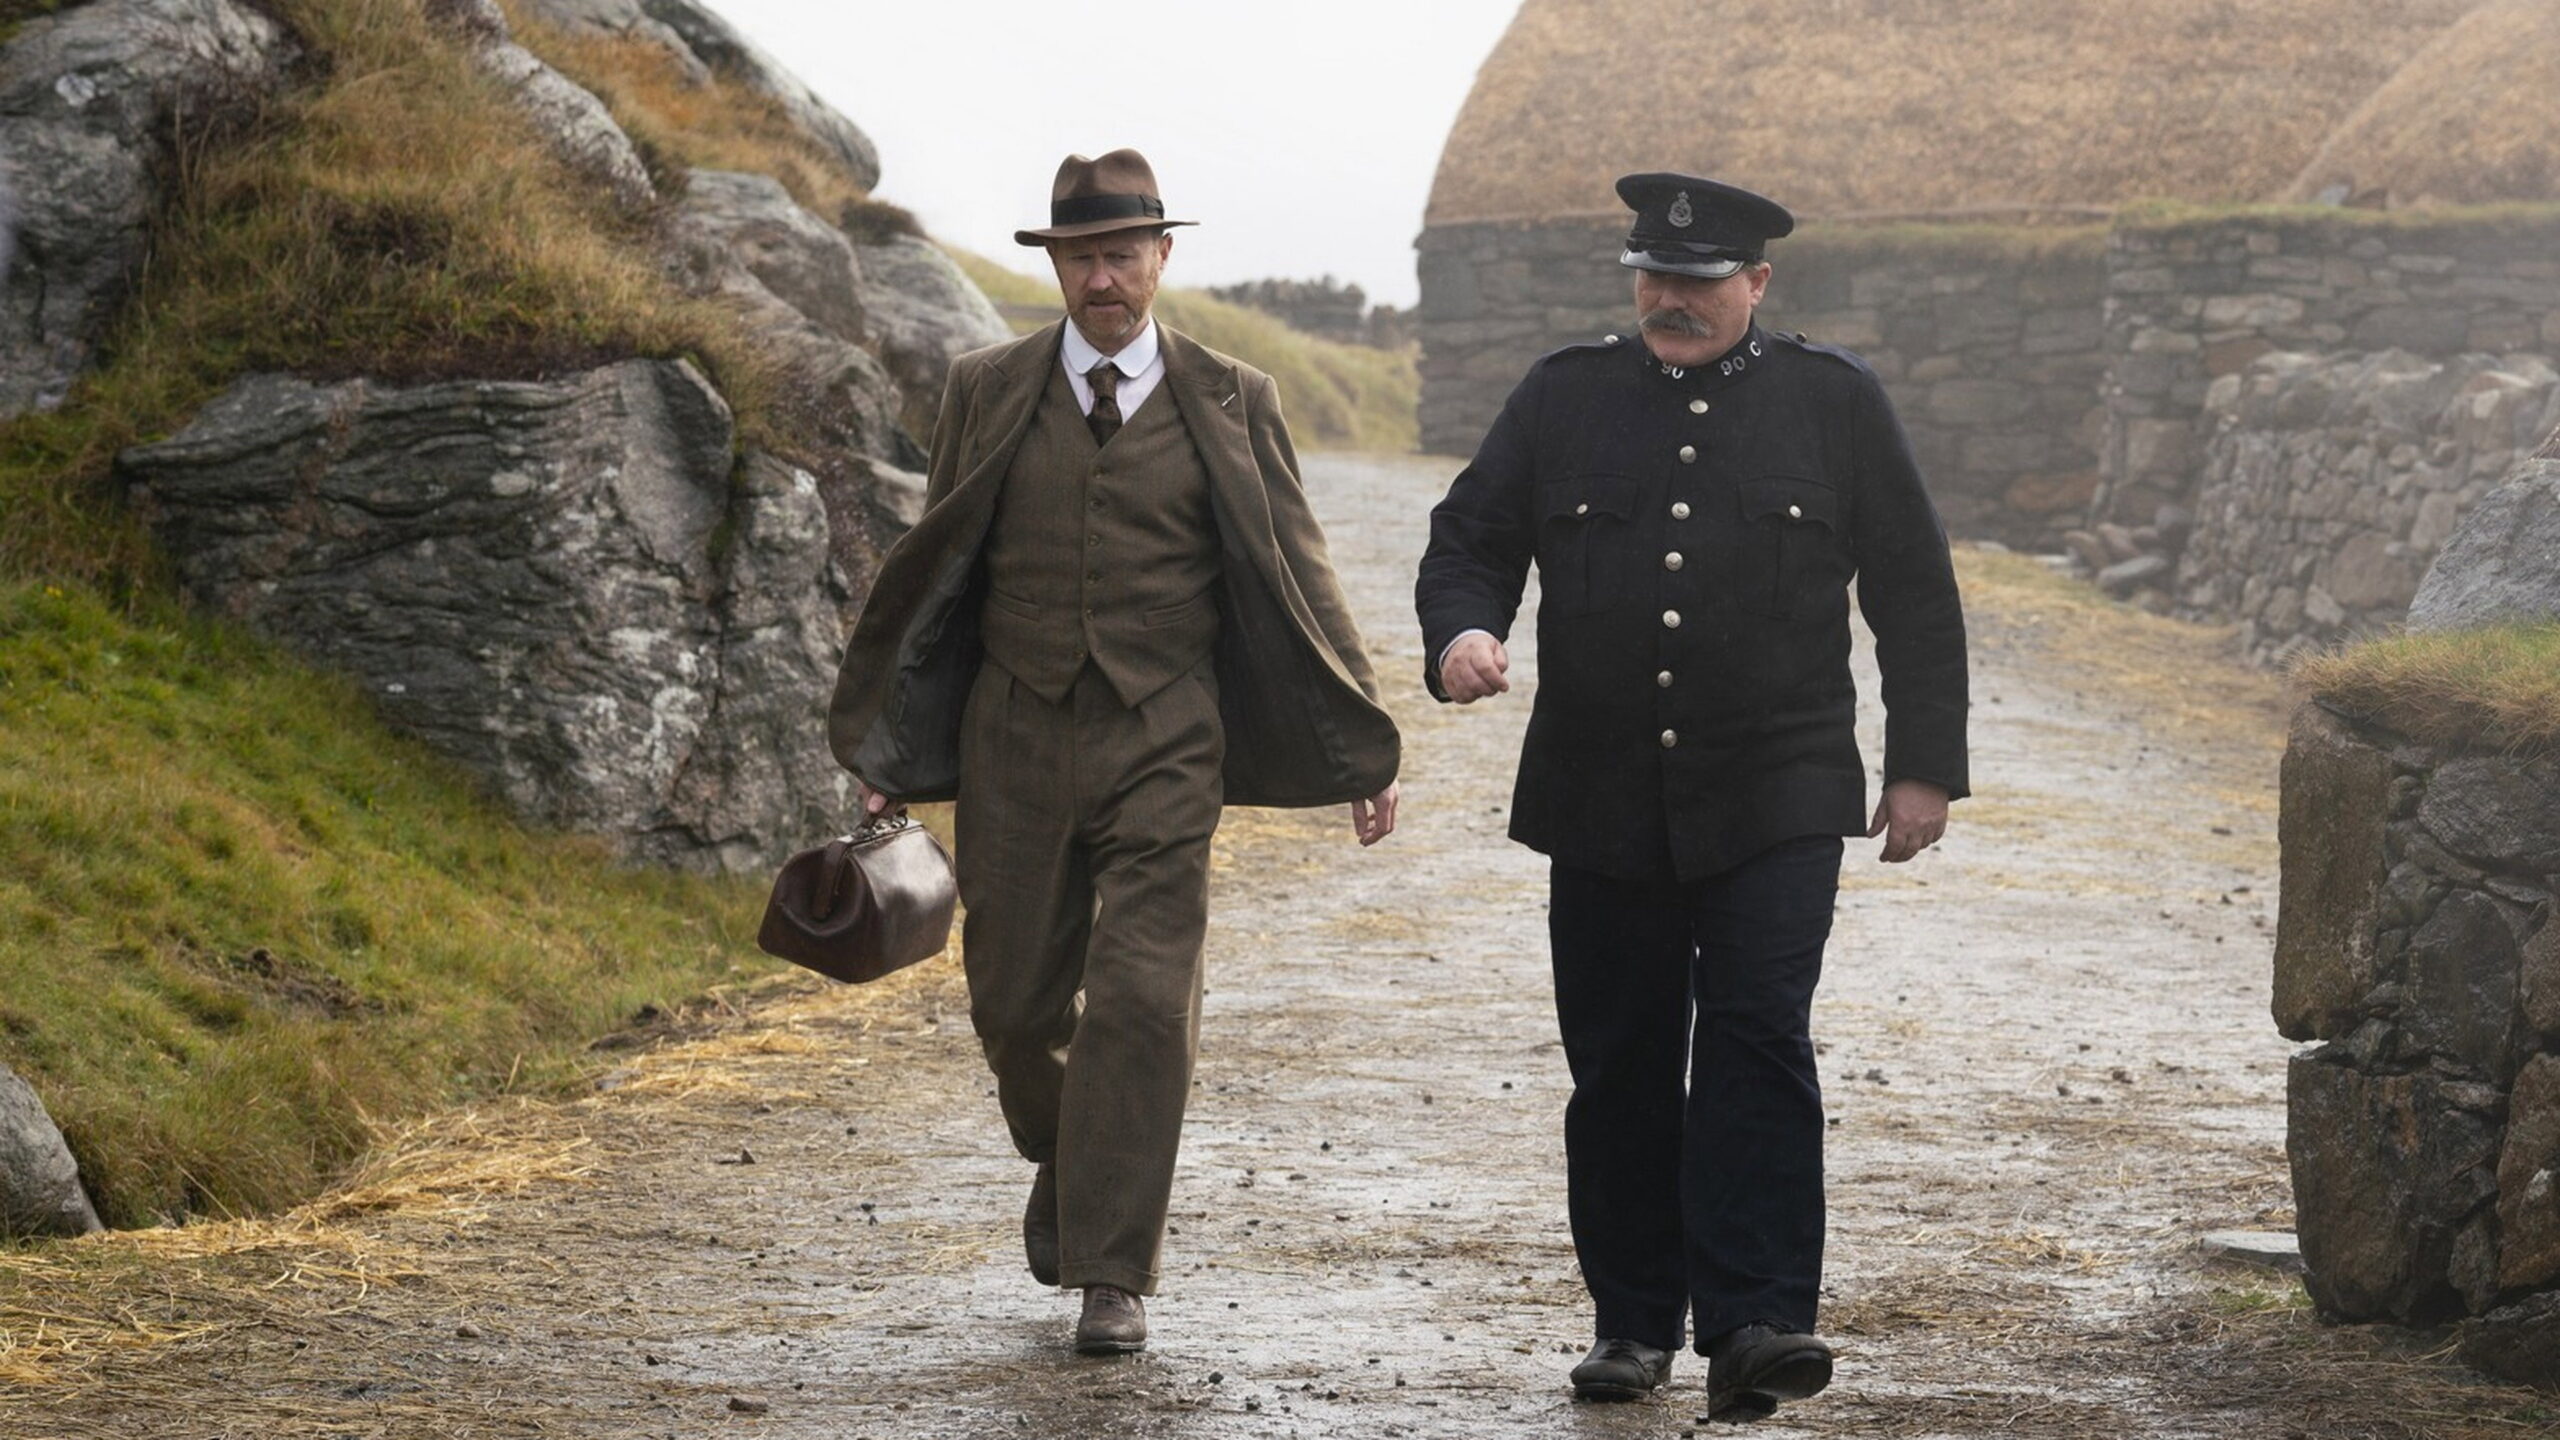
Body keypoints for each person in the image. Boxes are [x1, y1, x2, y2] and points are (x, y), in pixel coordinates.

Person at [827, 149, 1402, 1356]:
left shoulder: (1234, 396)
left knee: (1141, 1000)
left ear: (1161, 258)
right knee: (1011, 1006)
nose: (1102, 278)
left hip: (1167, 734)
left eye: (1122, 256)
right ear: (1056, 266)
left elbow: (1298, 568)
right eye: (1081, 258)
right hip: (1013, 734)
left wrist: (1363, 739)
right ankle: (1077, 1158)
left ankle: (1111, 1275)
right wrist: (890, 739)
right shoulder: (986, 386)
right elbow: (938, 571)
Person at [1414, 172, 1968, 1419]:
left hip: (1780, 785)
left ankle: (1758, 1320)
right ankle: (1631, 1322)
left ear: (1756, 283)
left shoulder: (1833, 402)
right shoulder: (1563, 394)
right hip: (1600, 786)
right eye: (1654, 277)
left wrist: (1922, 765)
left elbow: (1913, 591)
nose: (1671, 298)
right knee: (1619, 1058)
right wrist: (1462, 633)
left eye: (1700, 280)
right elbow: (1471, 539)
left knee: (1757, 1036)